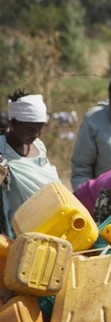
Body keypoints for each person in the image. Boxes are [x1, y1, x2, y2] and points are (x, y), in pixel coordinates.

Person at [0, 90, 60, 237]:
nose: (36, 135)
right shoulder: (2, 149)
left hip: (53, 218)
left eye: (40, 129)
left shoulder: (39, 146)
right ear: (13, 123)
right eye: (31, 129)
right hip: (21, 229)